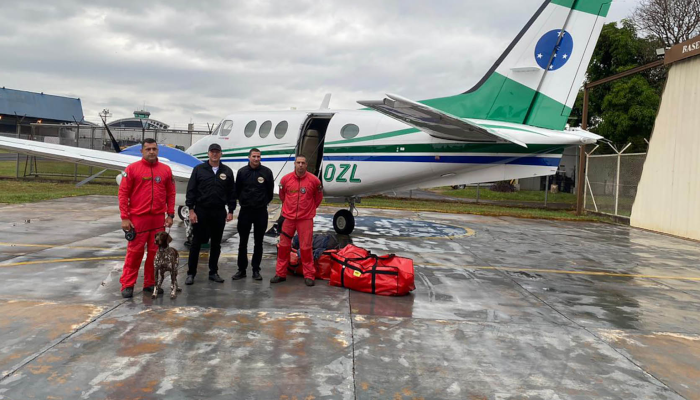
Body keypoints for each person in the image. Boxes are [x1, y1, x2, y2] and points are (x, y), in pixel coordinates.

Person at [118, 138, 176, 298]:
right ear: (142, 151)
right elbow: (123, 193)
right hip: (138, 219)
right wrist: (125, 217)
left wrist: (170, 214)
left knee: (155, 253)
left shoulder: (165, 170)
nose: (151, 152)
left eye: (154, 149)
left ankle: (150, 283)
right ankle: (127, 284)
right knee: (134, 252)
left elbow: (171, 193)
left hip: (157, 219)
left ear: (157, 151)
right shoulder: (132, 169)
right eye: (148, 149)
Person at [185, 143, 236, 285]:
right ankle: (191, 273)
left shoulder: (227, 171)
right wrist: (191, 209)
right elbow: (191, 190)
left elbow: (232, 192)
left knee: (216, 244)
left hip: (219, 212)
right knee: (196, 243)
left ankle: (213, 272)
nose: (214, 154)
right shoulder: (199, 170)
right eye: (212, 152)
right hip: (201, 211)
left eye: (217, 152)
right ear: (208, 153)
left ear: (221, 154)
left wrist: (231, 210)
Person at [271, 155, 323, 286]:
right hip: (288, 218)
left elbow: (318, 198)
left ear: (306, 165)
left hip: (305, 219)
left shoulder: (314, 181)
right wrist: (289, 210)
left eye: (303, 163)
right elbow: (283, 196)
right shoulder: (286, 179)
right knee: (283, 247)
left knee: (306, 248)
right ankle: (280, 274)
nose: (300, 165)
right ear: (294, 164)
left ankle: (309, 275)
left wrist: (309, 210)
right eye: (298, 162)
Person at [232, 148, 274, 281]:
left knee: (258, 242)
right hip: (245, 211)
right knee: (242, 242)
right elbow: (237, 190)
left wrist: (261, 202)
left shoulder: (267, 172)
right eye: (254, 156)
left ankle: (256, 270)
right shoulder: (242, 172)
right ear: (249, 157)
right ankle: (241, 270)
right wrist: (245, 201)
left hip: (260, 212)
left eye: (258, 157)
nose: (256, 159)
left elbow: (270, 192)